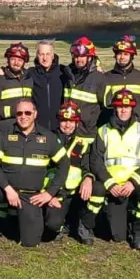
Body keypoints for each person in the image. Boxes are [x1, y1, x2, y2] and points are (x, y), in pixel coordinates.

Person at [0, 98, 69, 255]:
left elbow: (64, 164)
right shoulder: (5, 134)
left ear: (35, 114)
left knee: (30, 243)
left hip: (31, 195)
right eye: (19, 113)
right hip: (6, 189)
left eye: (27, 113)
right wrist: (7, 188)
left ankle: (23, 220)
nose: (23, 116)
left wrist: (49, 193)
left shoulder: (47, 137)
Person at [89, 89, 140, 250]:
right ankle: (117, 217)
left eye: (127, 107)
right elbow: (96, 162)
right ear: (114, 108)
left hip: (134, 183)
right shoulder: (103, 131)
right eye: (120, 107)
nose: (123, 110)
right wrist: (109, 183)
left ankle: (139, 233)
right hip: (113, 185)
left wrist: (133, 182)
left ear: (132, 108)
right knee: (117, 236)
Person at [51, 100, 96, 244]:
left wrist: (88, 178)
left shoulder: (83, 143)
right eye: (64, 121)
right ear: (59, 121)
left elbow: (87, 166)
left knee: (97, 189)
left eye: (71, 121)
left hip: (77, 193)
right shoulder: (48, 139)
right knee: (51, 226)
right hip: (55, 192)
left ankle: (84, 226)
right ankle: (60, 225)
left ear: (77, 123)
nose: (67, 125)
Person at [62, 36, 106, 135]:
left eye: (82, 56)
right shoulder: (68, 75)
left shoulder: (99, 78)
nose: (78, 59)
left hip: (88, 133)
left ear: (90, 57)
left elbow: (106, 108)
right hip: (68, 131)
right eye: (76, 56)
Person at [100, 36, 140, 126]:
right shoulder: (105, 78)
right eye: (119, 54)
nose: (122, 57)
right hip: (113, 128)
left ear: (132, 56)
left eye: (126, 54)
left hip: (138, 128)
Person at [0, 42, 34, 134]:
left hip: (26, 130)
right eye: (13, 59)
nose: (16, 63)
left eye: (20, 60)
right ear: (8, 59)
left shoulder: (30, 79)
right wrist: (13, 111)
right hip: (5, 130)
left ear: (25, 61)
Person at [29, 40, 64, 130]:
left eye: (48, 54)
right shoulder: (31, 73)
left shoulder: (63, 72)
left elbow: (80, 69)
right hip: (38, 128)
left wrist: (96, 67)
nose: (45, 58)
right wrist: (1, 70)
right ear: (37, 55)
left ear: (53, 55)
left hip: (59, 127)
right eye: (41, 54)